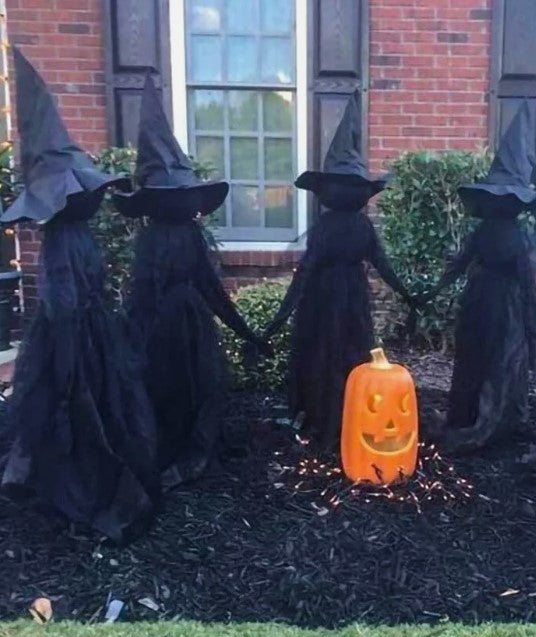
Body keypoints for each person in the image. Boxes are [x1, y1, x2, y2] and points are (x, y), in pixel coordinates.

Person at [0, 49, 158, 543]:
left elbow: (74, 301)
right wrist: (68, 373)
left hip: (85, 339)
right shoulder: (68, 243)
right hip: (70, 343)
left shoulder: (68, 241)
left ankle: (78, 480)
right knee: (77, 413)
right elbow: (64, 306)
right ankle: (74, 486)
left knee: (95, 412)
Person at [116, 76, 268, 490]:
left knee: (199, 383)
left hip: (189, 322)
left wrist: (247, 332)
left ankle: (193, 452)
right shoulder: (154, 240)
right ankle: (173, 451)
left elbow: (211, 290)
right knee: (171, 385)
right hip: (167, 328)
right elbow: (144, 296)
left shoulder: (183, 236)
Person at [261, 94, 415, 450]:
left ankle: (330, 415)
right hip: (340, 298)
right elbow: (379, 265)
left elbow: (310, 273)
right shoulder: (350, 226)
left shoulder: (338, 227)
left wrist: (409, 294)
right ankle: (337, 416)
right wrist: (410, 295)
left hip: (334, 298)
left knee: (332, 353)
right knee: (340, 352)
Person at [423, 103, 536, 455]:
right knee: (500, 361)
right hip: (501, 305)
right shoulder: (514, 237)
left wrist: (431, 292)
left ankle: (469, 415)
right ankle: (492, 420)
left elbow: (460, 265)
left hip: (481, 300)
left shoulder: (488, 233)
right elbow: (527, 286)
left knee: (480, 358)